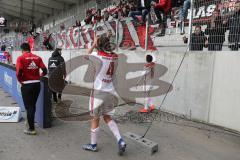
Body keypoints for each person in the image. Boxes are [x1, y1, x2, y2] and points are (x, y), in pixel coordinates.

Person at [82, 34, 127, 156]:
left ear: (98, 45)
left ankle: (93, 145)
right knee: (107, 117)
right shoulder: (115, 57)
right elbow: (109, 52)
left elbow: (86, 55)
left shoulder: (97, 56)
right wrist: (101, 42)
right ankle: (120, 140)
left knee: (95, 118)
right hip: (110, 92)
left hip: (98, 92)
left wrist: (93, 43)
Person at [16, 43, 47, 135]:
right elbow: (45, 71)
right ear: (29, 49)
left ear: (22, 49)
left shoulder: (20, 58)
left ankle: (31, 129)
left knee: (29, 107)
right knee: (32, 105)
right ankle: (30, 123)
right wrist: (38, 77)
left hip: (27, 85)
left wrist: (21, 81)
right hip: (37, 84)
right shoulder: (37, 58)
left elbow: (19, 73)